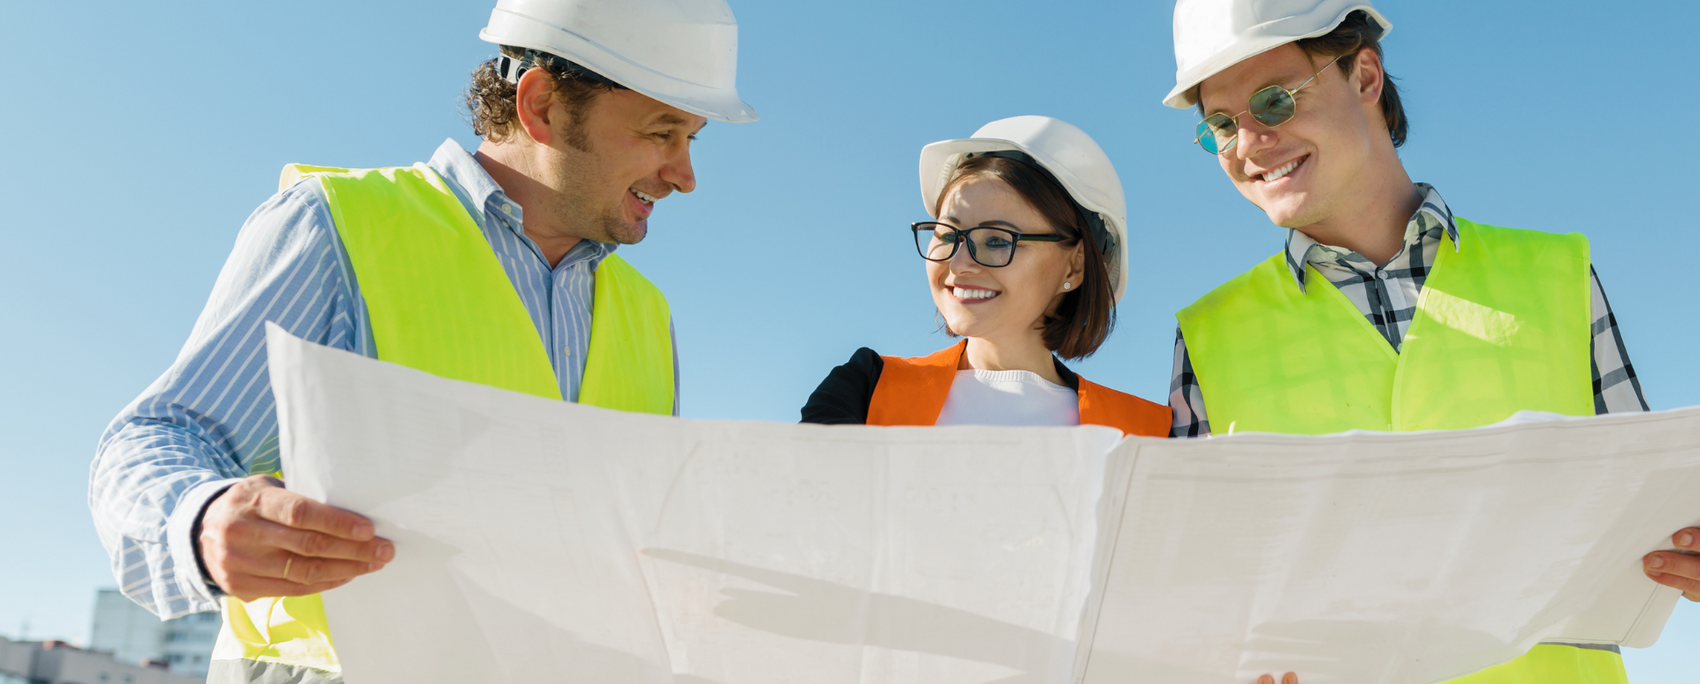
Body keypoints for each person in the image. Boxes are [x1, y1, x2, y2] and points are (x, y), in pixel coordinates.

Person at [85, 0, 756, 681]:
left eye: (691, 139)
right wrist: (199, 522)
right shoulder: (341, 228)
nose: (684, 174)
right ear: (544, 105)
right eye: (661, 132)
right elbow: (159, 434)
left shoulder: (647, 314)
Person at [1159, 1, 1700, 682]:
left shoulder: (1556, 274)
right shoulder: (1207, 336)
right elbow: (1201, 596)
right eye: (1219, 126)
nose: (1247, 143)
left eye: (1273, 101)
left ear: (1364, 76)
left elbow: (1649, 520)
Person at [801, 116, 1170, 436]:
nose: (960, 262)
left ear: (1074, 266)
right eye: (947, 234)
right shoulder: (865, 389)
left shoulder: (1145, 433)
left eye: (996, 240)